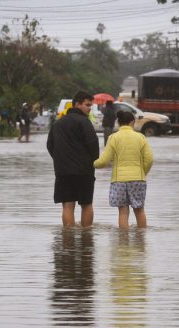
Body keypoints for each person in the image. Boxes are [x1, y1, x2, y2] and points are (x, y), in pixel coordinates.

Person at [47, 90, 100, 227]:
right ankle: (86, 238)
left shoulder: (58, 124)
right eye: (88, 105)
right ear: (78, 104)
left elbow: (50, 145)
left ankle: (68, 239)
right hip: (84, 172)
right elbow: (93, 146)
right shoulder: (84, 122)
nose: (90, 108)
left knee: (67, 206)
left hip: (63, 172)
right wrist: (92, 163)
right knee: (87, 205)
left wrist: (61, 160)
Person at [94, 111, 153, 229]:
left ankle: (123, 241)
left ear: (118, 122)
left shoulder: (113, 137)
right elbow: (149, 159)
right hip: (138, 179)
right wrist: (142, 173)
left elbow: (104, 161)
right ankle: (141, 240)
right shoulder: (140, 137)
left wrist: (93, 164)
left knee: (123, 212)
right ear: (132, 122)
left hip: (119, 180)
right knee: (139, 210)